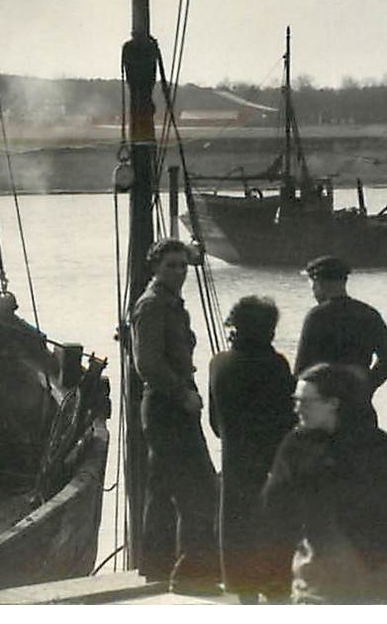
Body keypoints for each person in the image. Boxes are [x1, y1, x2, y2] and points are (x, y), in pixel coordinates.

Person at [261, 363, 387, 604]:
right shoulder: (296, 445)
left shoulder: (374, 445)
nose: (297, 409)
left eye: (305, 402)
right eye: (296, 400)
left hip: (372, 568)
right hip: (321, 571)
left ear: (333, 403)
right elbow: (273, 507)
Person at [130, 239, 220, 591]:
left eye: (183, 266)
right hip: (168, 404)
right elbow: (146, 363)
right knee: (196, 488)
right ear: (155, 268)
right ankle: (193, 573)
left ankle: (155, 566)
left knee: (163, 484)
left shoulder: (171, 304)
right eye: (171, 266)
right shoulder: (152, 306)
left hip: (173, 403)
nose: (179, 273)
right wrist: (182, 392)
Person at [207, 296, 297, 602]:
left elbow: (215, 424)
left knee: (239, 531)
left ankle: (244, 597)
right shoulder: (276, 365)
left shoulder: (219, 364)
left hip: (235, 462)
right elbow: (288, 419)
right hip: (273, 462)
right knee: (273, 533)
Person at [293, 255, 387, 411]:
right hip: (359, 405)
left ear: (319, 283)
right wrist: (366, 385)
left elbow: (301, 369)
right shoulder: (368, 313)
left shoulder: (316, 317)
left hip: (324, 407)